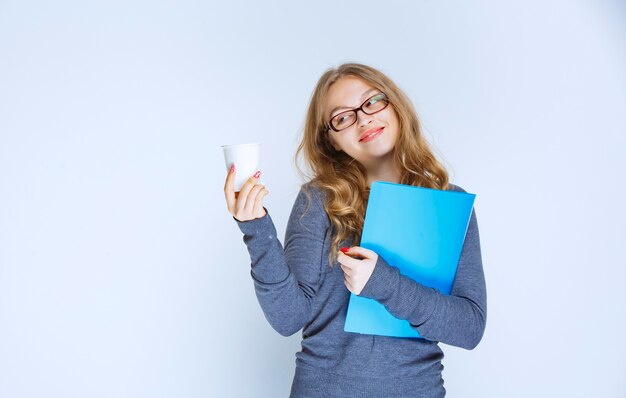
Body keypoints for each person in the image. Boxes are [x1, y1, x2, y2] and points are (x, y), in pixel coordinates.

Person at [223, 63, 486, 398]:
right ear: (330, 140)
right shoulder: (318, 200)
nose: (363, 119)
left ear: (395, 105)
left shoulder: (449, 204)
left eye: (372, 102)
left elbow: (469, 327)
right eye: (343, 117)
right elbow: (288, 317)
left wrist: (384, 283)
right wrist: (256, 228)